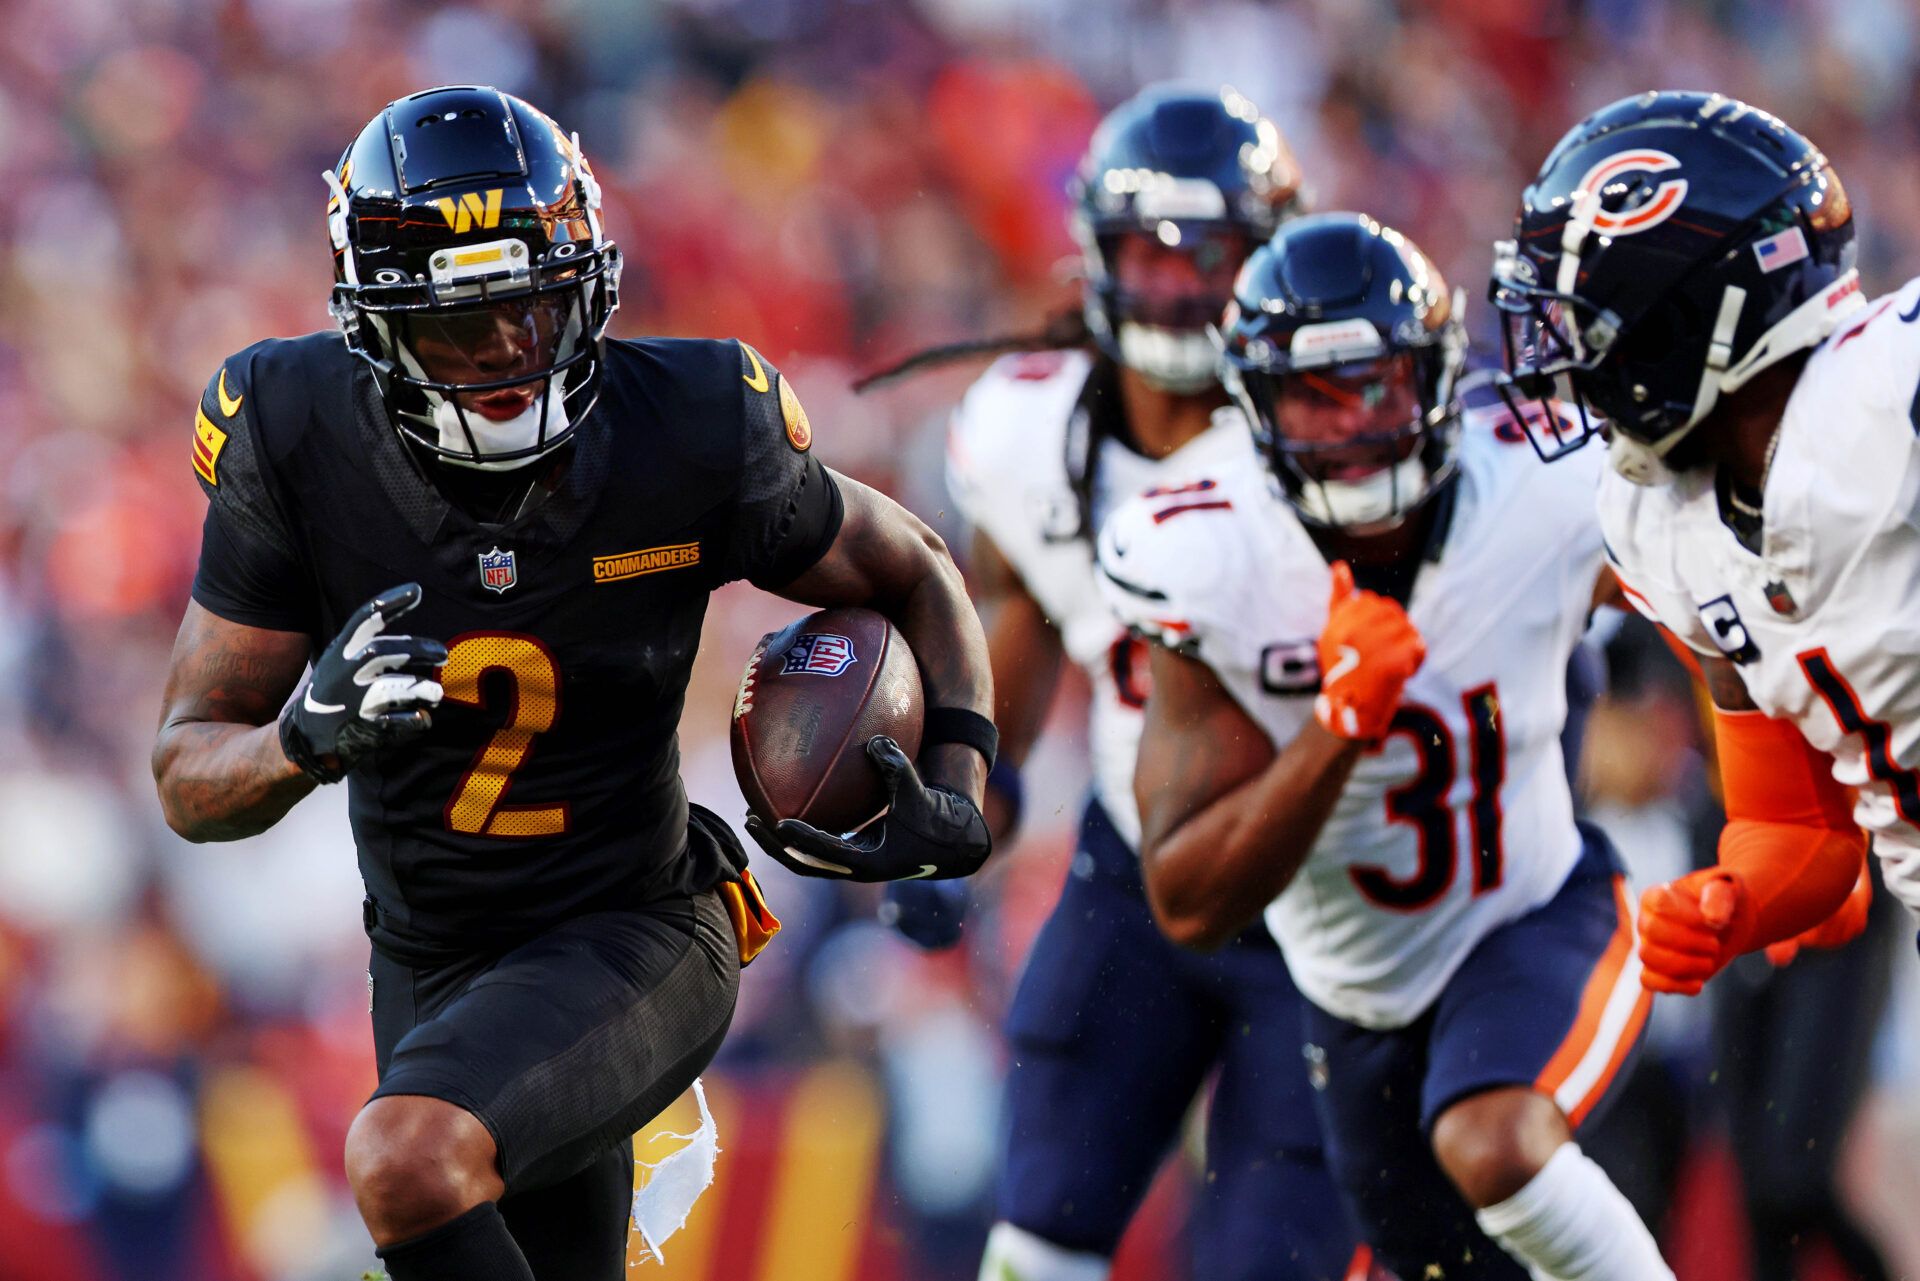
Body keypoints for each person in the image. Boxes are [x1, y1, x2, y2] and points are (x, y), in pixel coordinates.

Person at [150, 86, 996, 1281]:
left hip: (636, 924)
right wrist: (304, 737)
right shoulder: (294, 434)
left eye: (531, 309)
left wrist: (958, 780)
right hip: (430, 958)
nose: (503, 352)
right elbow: (188, 774)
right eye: (460, 326)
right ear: (377, 327)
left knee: (406, 1160)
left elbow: (917, 564)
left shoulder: (691, 425)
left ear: (588, 285)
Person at [1099, 211, 1674, 1280]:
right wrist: (1336, 726)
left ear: (1439, 379)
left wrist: (1788, 806)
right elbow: (1186, 897)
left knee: (1494, 1141)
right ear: (1256, 408)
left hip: (1539, 915)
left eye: (1378, 385)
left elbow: (1716, 583)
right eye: (1315, 398)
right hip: (1354, 1006)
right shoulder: (1205, 552)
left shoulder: (1540, 482)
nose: (1356, 426)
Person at [879, 85, 1365, 1281]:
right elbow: (1009, 622)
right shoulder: (1029, 430)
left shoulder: (1338, 435)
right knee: (1038, 1231)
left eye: (1208, 256)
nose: (1177, 287)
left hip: (1329, 890)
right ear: (1093, 253)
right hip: (1138, 860)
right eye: (1147, 253)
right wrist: (963, 797)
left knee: (1270, 1261)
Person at [1487, 90, 1882, 995]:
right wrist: (1735, 901)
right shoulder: (1659, 524)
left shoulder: (1886, 398)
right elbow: (1798, 824)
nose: (1568, 365)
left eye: (1589, 330)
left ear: (1683, 325)